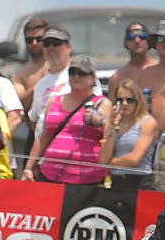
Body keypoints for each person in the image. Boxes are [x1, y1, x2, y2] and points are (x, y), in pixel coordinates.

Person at [23, 55, 108, 184]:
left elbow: (111, 137)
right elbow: (43, 137)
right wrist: (28, 168)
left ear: (92, 78)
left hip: (86, 178)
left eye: (82, 73)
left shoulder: (102, 104)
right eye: (72, 73)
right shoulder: (55, 101)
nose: (76, 77)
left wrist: (102, 122)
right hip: (50, 174)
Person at [99, 78, 160, 189]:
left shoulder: (147, 123)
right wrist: (112, 126)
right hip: (117, 181)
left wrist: (111, 163)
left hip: (140, 182)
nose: (125, 104)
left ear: (138, 101)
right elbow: (103, 159)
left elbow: (134, 159)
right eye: (120, 100)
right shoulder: (112, 123)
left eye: (130, 100)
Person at [25, 26, 76, 139]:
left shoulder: (80, 76)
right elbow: (34, 121)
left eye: (56, 43)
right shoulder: (40, 85)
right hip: (44, 152)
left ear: (69, 47)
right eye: (47, 44)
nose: (51, 47)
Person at [12, 17, 52, 110]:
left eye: (39, 39)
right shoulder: (20, 75)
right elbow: (20, 105)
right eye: (29, 40)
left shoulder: (64, 67)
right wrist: (43, 82)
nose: (34, 43)